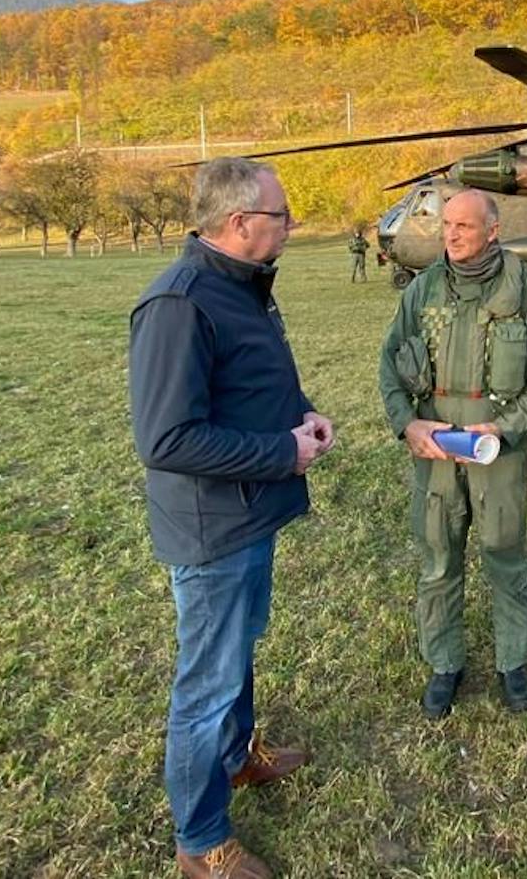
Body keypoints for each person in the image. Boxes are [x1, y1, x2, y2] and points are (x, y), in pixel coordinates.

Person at [130, 157, 335, 879]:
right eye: (282, 215)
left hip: (247, 515)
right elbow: (165, 438)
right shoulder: (180, 305)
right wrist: (281, 452)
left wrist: (300, 415)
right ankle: (201, 838)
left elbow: (252, 381)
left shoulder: (243, 290)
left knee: (237, 650)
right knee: (207, 683)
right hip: (211, 528)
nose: (291, 225)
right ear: (242, 223)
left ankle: (239, 755)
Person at [378, 189, 527, 719]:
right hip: (435, 446)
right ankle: (445, 664)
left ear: (493, 230)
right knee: (439, 557)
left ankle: (513, 663)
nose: (453, 235)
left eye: (464, 225)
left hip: (497, 447)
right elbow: (390, 362)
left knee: (505, 554)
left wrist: (506, 426)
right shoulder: (423, 290)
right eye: (448, 226)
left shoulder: (524, 286)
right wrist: (407, 423)